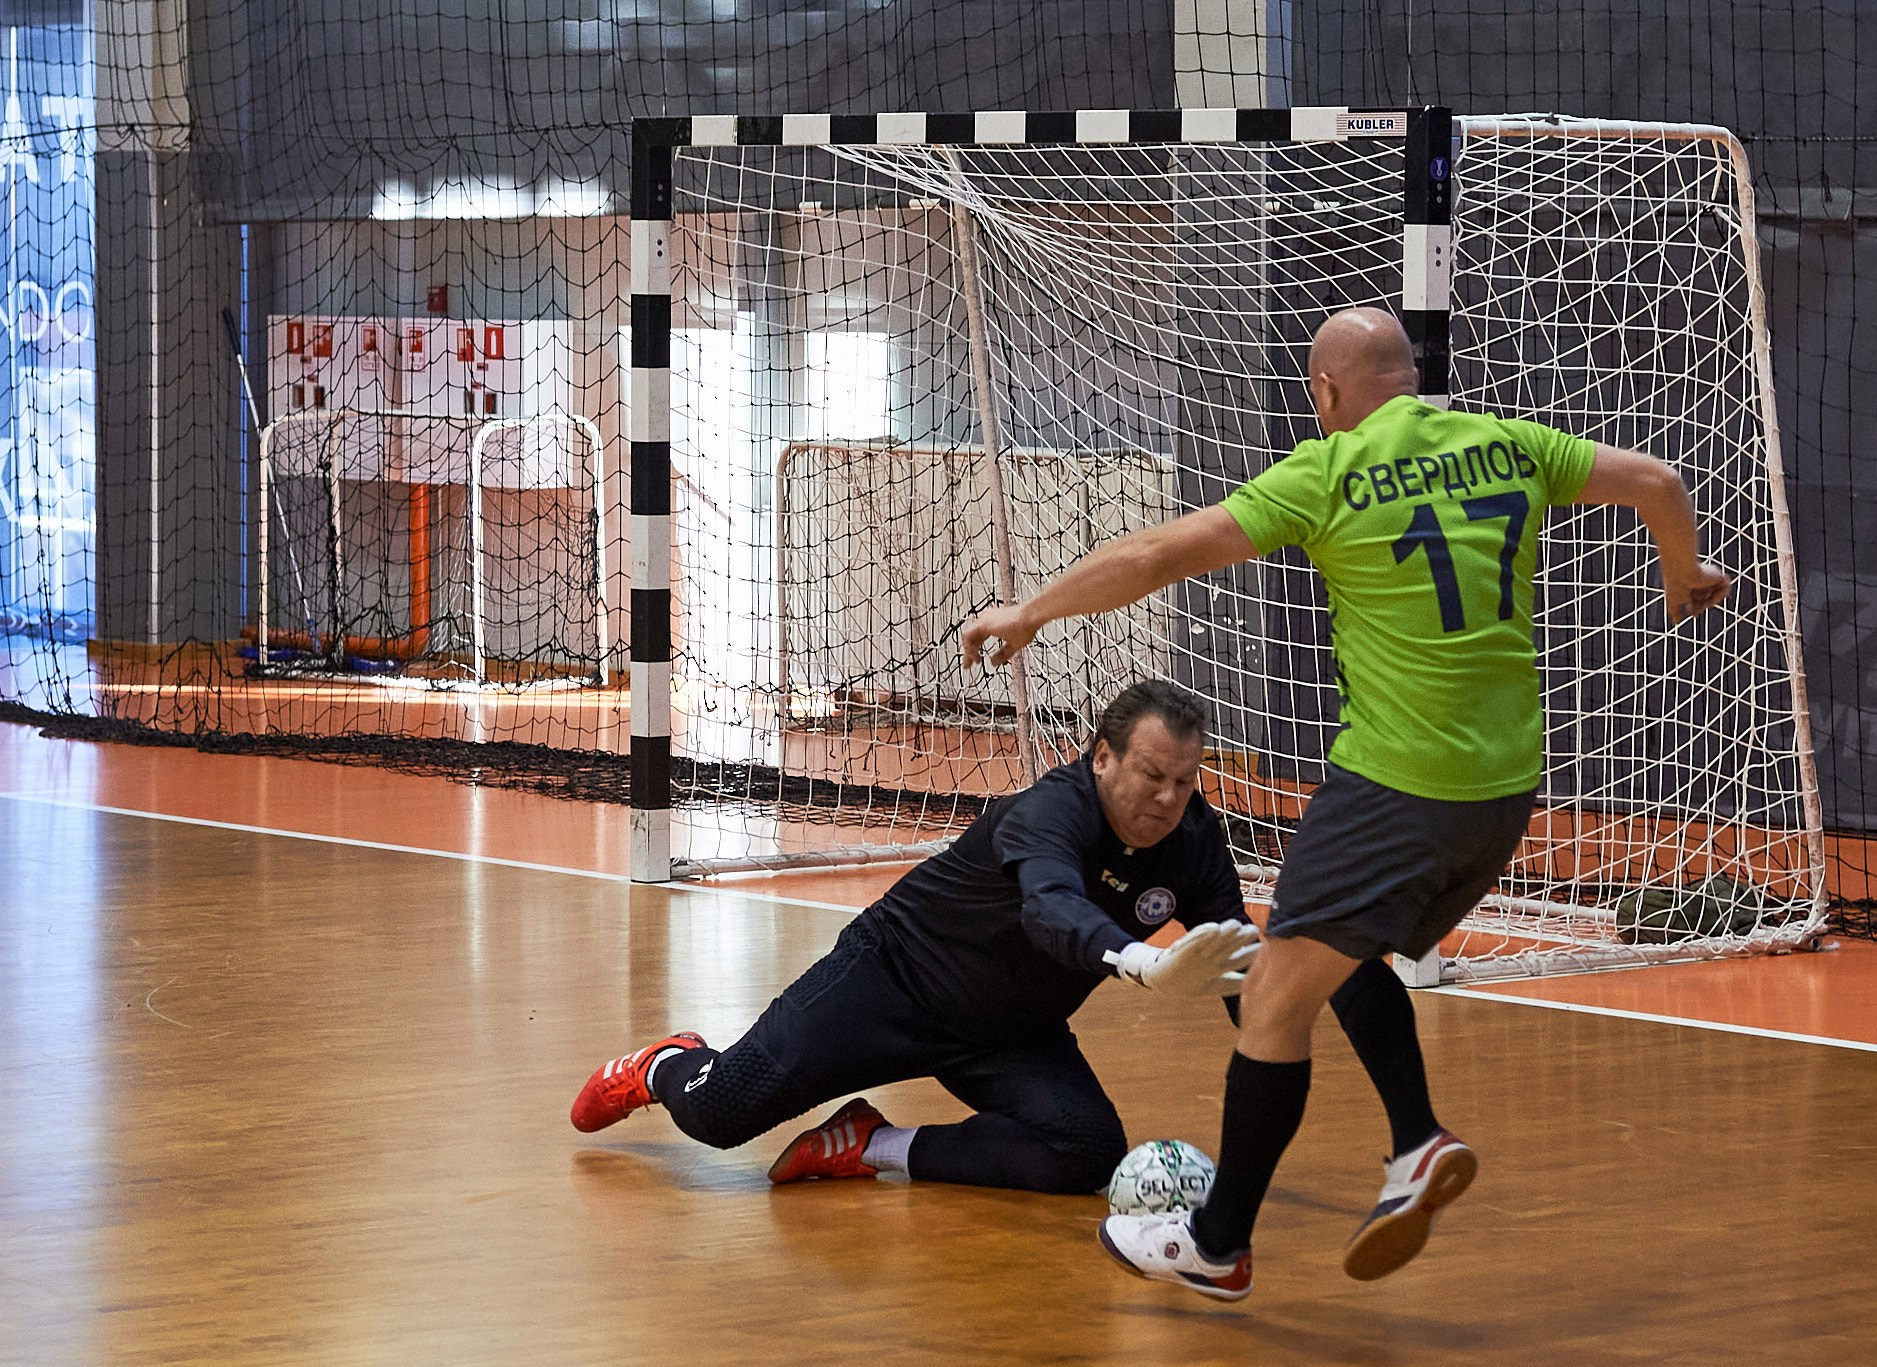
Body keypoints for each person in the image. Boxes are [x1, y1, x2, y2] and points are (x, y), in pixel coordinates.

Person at [962, 306, 1730, 1299]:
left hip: (1390, 783)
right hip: (1498, 794)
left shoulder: (1326, 475)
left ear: (1323, 394)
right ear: (1409, 377)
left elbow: (1156, 553)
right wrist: (1684, 568)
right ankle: (1412, 1140)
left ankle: (1216, 1240)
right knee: (1340, 947)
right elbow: (1655, 482)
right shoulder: (1509, 444)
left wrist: (1029, 610)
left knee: (1273, 999)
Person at [568, 678, 1262, 1196]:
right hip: (891, 982)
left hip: (1012, 1032)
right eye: (1151, 774)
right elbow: (1053, 908)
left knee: (1085, 1150)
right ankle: (666, 1062)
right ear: (1102, 757)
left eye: (1183, 779)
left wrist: (1292, 1000)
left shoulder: (1194, 841)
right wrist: (1140, 960)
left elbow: (1243, 966)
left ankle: (874, 1144)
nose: (1168, 798)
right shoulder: (1051, 811)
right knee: (717, 1115)